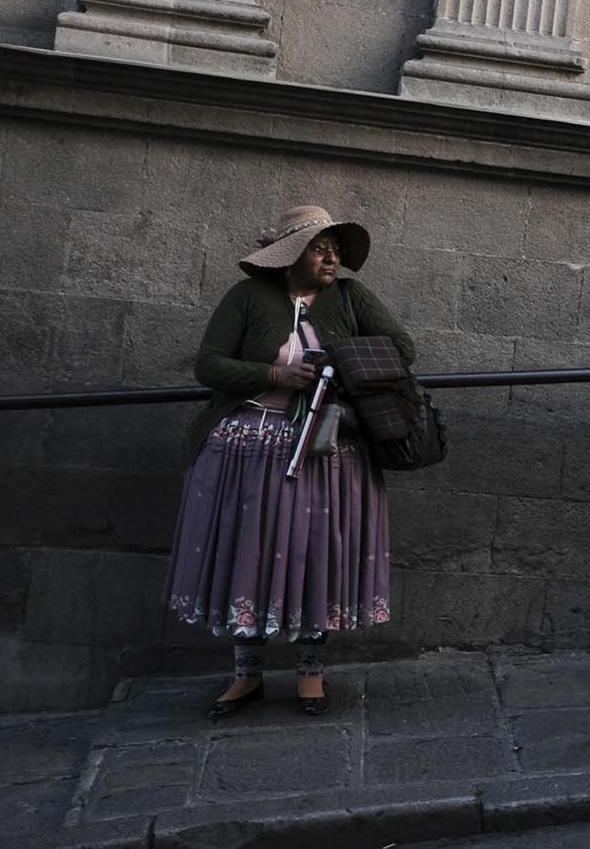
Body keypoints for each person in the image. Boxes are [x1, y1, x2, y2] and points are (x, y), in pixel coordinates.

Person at [165, 205, 413, 720]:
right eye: (321, 248)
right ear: (291, 255)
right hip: (246, 447)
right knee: (247, 551)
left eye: (335, 249)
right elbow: (208, 364)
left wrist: (334, 368)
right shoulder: (248, 298)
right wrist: (274, 376)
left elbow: (401, 348)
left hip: (328, 447)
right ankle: (245, 675)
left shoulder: (350, 297)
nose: (332, 258)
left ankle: (310, 672)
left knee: (313, 552)